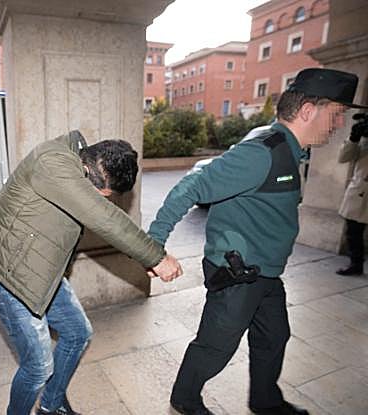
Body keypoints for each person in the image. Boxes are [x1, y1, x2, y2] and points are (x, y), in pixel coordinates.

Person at [148, 68, 366, 415]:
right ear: (308, 110)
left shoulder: (289, 150)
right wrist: (154, 245)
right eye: (336, 113)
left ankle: (265, 401)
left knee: (274, 335)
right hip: (238, 273)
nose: (339, 123)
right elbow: (191, 186)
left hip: (265, 272)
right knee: (216, 345)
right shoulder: (263, 152)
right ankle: (184, 399)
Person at [0, 130, 181, 415]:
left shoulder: (78, 163)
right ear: (88, 174)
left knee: (77, 334)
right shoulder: (52, 162)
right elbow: (102, 217)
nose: (102, 201)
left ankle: (51, 405)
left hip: (46, 273)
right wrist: (156, 257)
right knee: (38, 368)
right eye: (102, 196)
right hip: (12, 280)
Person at [336, 112, 368, 276]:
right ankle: (356, 264)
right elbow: (343, 157)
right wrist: (354, 138)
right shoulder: (364, 138)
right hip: (361, 190)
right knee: (353, 231)